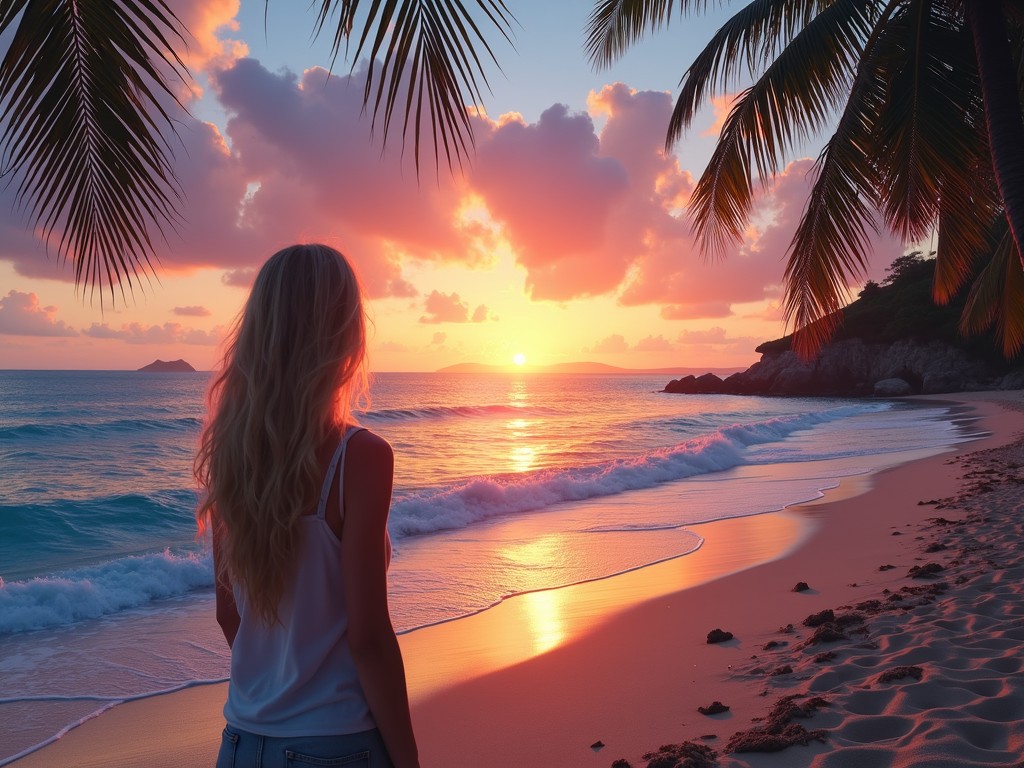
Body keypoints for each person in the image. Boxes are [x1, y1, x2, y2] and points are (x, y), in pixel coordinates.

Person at [195, 244, 419, 768]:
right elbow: (368, 637)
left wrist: (276, 696)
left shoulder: (232, 454)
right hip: (335, 742)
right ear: (344, 332)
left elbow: (230, 614)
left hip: (241, 743)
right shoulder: (359, 457)